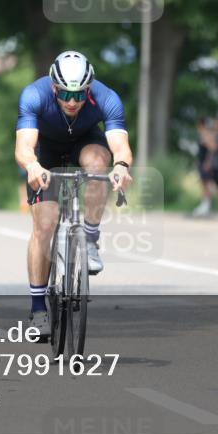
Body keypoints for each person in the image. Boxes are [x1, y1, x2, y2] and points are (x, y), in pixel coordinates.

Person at [15, 50, 134, 338]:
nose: (72, 101)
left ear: (88, 90)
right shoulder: (34, 95)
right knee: (44, 225)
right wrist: (32, 166)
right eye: (66, 94)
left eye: (80, 96)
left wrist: (121, 167)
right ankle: (39, 309)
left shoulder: (107, 98)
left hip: (85, 143)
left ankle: (90, 236)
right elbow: (24, 146)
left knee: (98, 165)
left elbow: (120, 147)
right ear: (54, 87)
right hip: (46, 151)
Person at [193, 117, 218, 216]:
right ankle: (206, 204)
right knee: (205, 183)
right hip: (208, 163)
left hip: (216, 164)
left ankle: (217, 207)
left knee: (216, 185)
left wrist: (208, 162)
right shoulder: (210, 135)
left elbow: (212, 149)